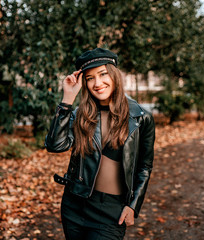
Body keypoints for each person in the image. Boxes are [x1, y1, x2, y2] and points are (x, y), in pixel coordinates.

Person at [45, 48, 155, 239]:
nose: (97, 83)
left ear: (114, 75)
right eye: (89, 78)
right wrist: (67, 100)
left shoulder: (140, 117)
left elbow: (144, 167)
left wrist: (133, 206)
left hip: (111, 211)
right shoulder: (80, 114)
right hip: (75, 205)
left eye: (103, 74)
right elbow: (55, 145)